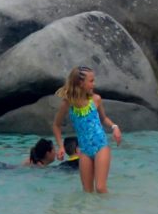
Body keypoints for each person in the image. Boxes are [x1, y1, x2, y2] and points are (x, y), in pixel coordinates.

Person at [52, 65, 122, 193]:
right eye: (91, 81)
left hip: (101, 146)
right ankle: (90, 213)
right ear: (80, 83)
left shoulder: (96, 99)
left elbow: (104, 119)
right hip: (84, 150)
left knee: (100, 188)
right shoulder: (68, 103)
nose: (93, 84)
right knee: (87, 192)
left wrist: (115, 127)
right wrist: (61, 146)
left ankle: (108, 212)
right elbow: (56, 125)